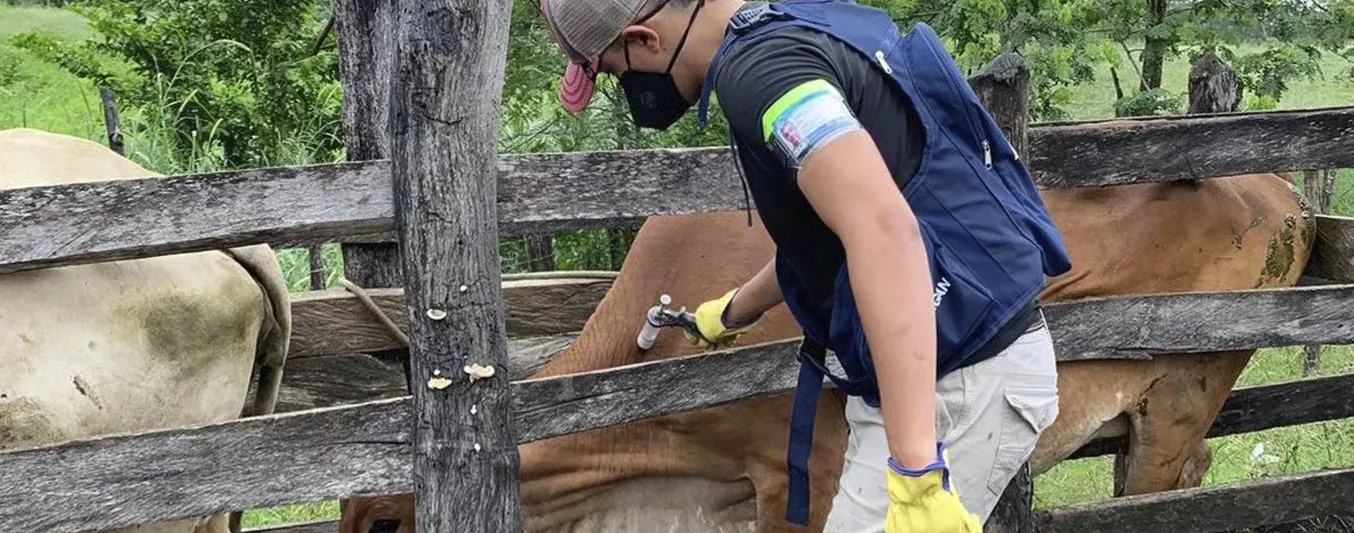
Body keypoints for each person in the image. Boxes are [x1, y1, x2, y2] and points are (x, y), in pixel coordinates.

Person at [539, 0, 1072, 530]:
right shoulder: (793, 23)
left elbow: (884, 231)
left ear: (644, 39)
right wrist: (733, 311)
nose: (628, 90)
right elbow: (838, 229)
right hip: (945, 361)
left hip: (961, 377)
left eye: (614, 72)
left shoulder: (762, 75)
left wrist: (916, 474)